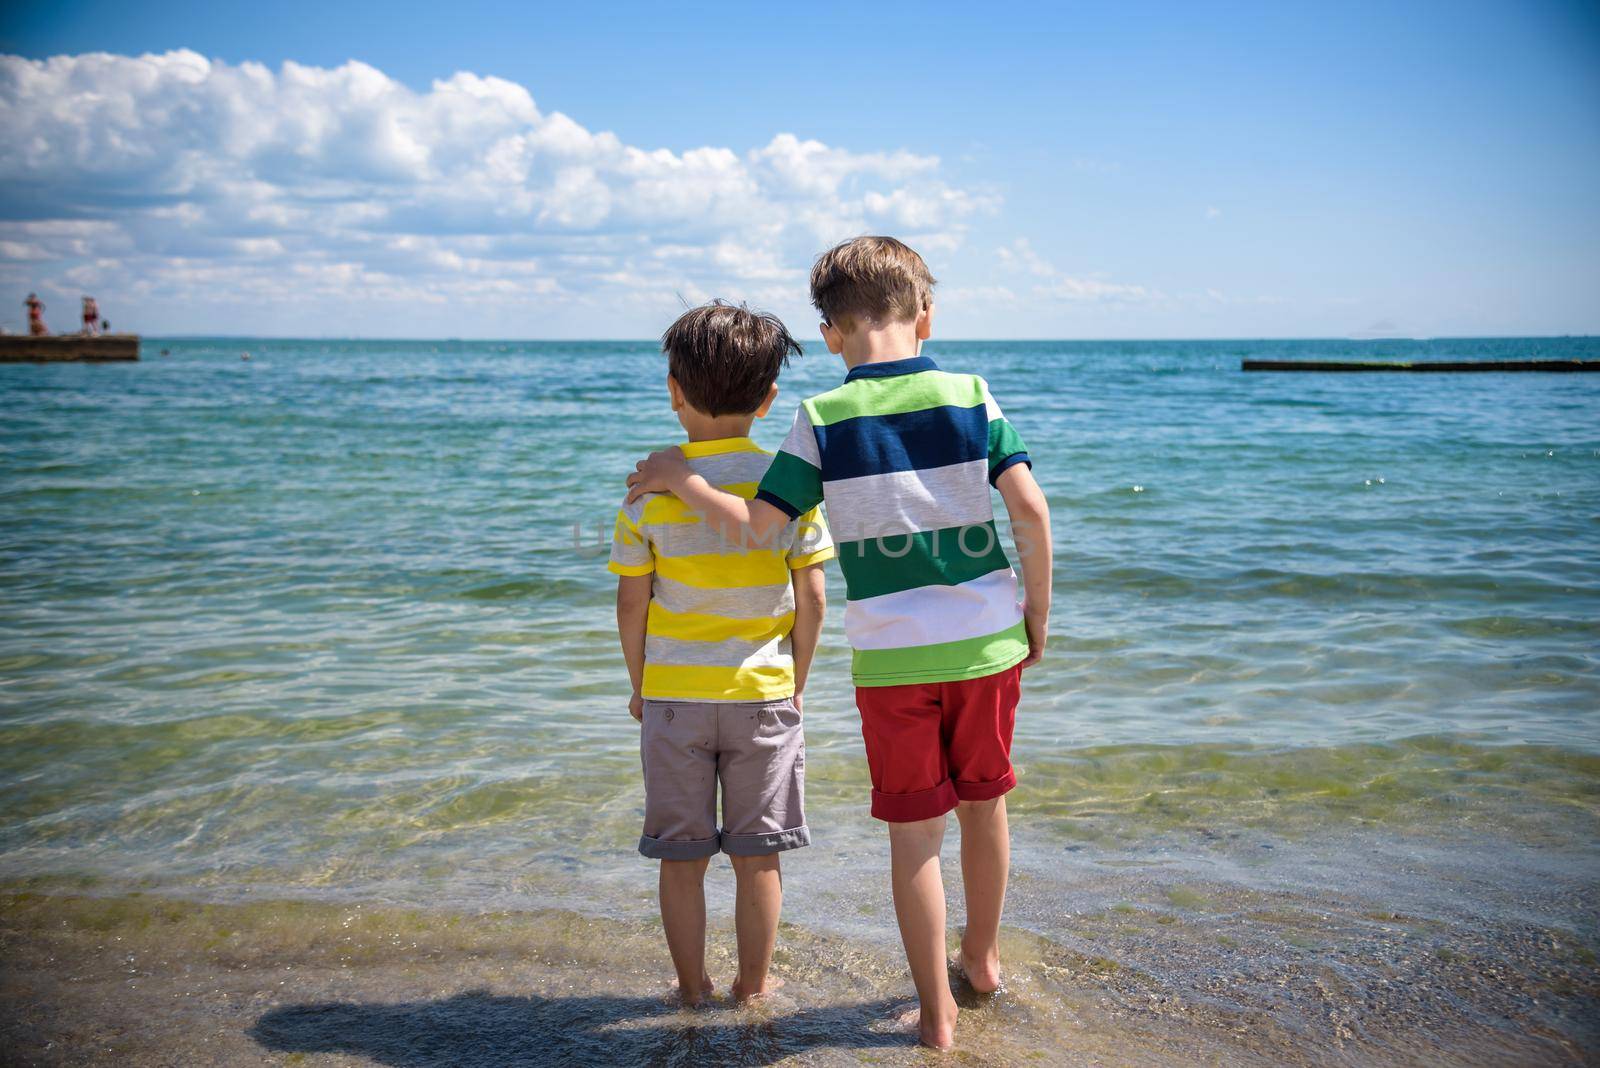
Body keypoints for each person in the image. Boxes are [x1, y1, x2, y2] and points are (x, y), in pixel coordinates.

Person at [626, 237, 1052, 1049]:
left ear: (829, 334)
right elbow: (1028, 513)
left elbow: (758, 530)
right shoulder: (970, 393)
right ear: (926, 314)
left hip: (893, 662)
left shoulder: (819, 419)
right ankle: (984, 961)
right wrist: (1036, 613)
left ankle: (936, 1016)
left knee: (915, 836)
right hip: (988, 644)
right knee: (986, 806)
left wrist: (685, 481)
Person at [610, 300, 834, 1006]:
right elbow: (814, 600)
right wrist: (796, 682)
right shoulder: (787, 486)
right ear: (770, 400)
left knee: (680, 861)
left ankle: (691, 989)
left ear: (674, 392)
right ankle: (753, 987)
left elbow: (631, 605)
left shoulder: (647, 495)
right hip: (763, 697)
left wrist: (640, 685)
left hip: (674, 700)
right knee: (758, 858)